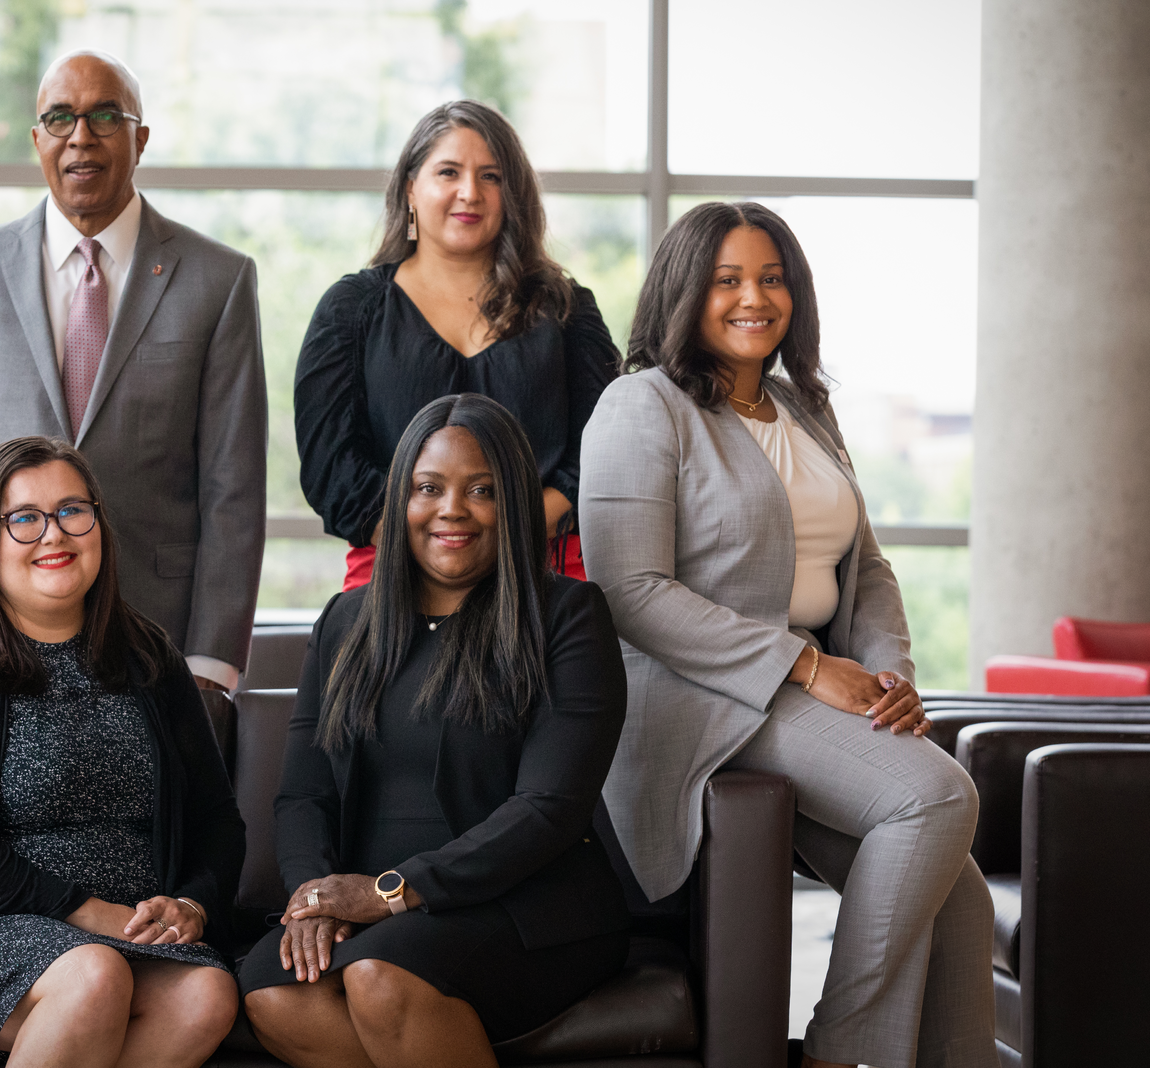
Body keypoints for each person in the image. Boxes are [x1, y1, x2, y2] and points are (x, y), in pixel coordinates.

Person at [580, 201, 994, 1068]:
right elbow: (630, 592)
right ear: (684, 292)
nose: (754, 298)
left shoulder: (804, 408)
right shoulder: (641, 405)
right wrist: (805, 665)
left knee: (959, 895)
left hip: (814, 688)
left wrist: (887, 674)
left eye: (772, 279)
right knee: (938, 797)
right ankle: (833, 1055)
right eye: (727, 279)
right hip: (703, 695)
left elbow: (865, 567)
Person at [241, 393, 630, 1068]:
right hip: (372, 909)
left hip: (526, 903)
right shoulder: (345, 622)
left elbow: (549, 809)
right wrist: (317, 899)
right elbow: (303, 795)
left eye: (482, 490)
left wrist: (387, 893)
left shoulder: (568, 615)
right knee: (272, 991)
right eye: (429, 488)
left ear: (514, 503)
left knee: (382, 975)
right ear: (402, 500)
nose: (452, 509)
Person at [0, 436, 244, 1068]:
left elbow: (217, 817)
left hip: (132, 924)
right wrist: (84, 912)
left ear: (99, 523)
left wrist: (193, 904)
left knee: (205, 995)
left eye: (72, 510)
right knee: (94, 977)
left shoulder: (150, 656)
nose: (54, 534)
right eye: (24, 519)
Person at [0, 49, 265, 694]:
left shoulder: (218, 280)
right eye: (60, 118)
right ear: (37, 138)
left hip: (153, 636)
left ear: (140, 138)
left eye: (105, 116)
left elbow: (232, 488)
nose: (81, 136)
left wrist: (211, 664)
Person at [294, 100, 619, 594]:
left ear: (513, 194)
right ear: (410, 187)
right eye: (449, 172)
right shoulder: (351, 310)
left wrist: (512, 535)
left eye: (491, 176)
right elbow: (331, 467)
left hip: (543, 571)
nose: (470, 192)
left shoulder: (566, 308)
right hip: (393, 575)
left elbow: (602, 450)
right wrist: (435, 545)